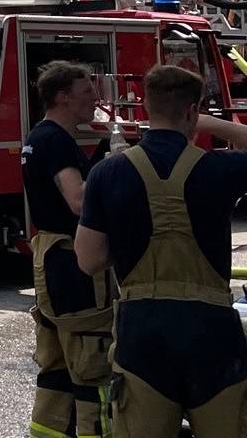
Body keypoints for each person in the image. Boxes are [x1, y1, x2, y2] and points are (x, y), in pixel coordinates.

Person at [75, 65, 247, 437]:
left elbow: (89, 260)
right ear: (191, 111)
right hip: (212, 334)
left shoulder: (109, 173)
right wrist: (209, 123)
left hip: (143, 333)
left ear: (145, 110)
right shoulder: (221, 169)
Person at [21, 61, 114, 438]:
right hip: (72, 258)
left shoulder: (40, 138)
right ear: (63, 97)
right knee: (91, 357)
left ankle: (49, 432)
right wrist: (118, 168)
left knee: (57, 362)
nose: (95, 97)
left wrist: (107, 146)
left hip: (51, 255)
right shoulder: (55, 141)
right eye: (88, 90)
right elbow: (78, 199)